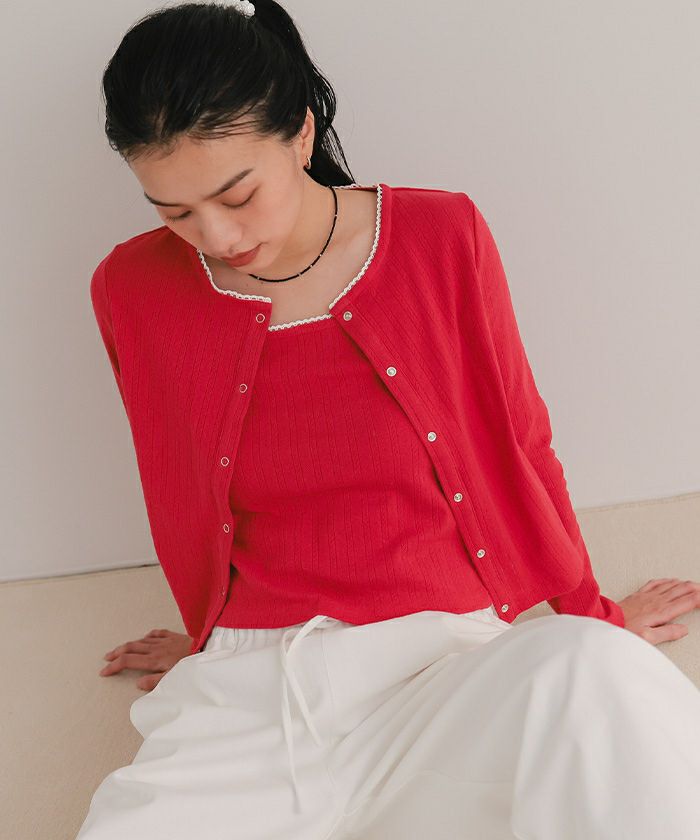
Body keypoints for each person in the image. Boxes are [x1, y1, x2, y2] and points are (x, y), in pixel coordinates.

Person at [77, 2, 700, 838]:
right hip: (250, 697)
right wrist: (207, 641)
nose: (215, 235)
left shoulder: (439, 237)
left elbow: (521, 440)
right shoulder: (131, 290)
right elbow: (179, 484)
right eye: (174, 211)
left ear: (300, 134)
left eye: (236, 194)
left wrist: (599, 618)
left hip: (444, 663)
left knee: (593, 669)